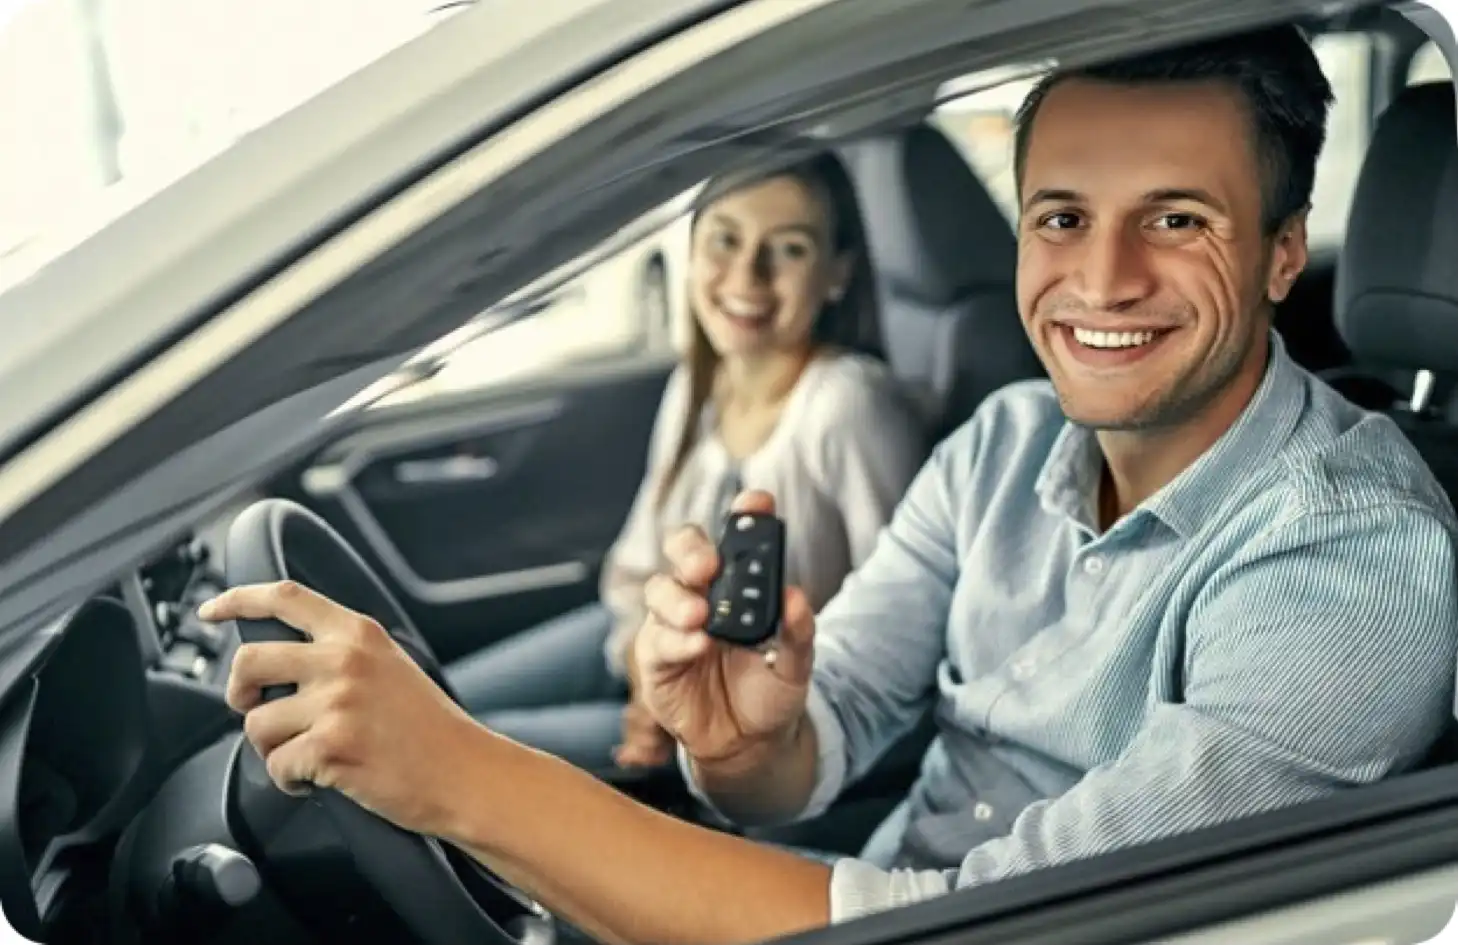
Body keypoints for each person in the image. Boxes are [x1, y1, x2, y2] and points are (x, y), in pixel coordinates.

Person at [207, 24, 1458, 945]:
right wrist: (746, 738)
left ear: (1285, 251)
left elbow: (996, 925)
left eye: (1177, 221)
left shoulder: (1353, 561)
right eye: (1061, 218)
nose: (1104, 280)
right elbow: (817, 742)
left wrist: (463, 775)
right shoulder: (1004, 444)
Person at [442, 152, 927, 772]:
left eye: (789, 249)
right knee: (439, 694)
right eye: (724, 239)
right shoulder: (698, 385)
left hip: (763, 712)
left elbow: (897, 635)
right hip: (650, 648)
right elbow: (637, 565)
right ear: (692, 248)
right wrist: (648, 676)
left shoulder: (848, 407)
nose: (746, 275)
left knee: (463, 742)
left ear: (837, 275)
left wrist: (686, 713)